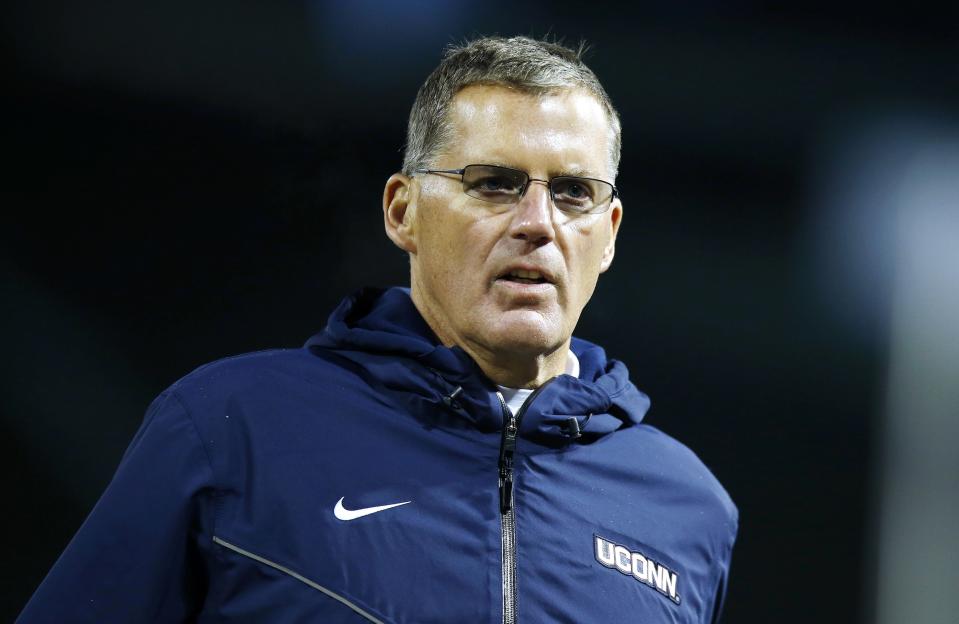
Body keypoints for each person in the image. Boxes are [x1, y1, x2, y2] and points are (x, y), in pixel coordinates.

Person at [18, 35, 737, 623]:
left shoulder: (686, 507)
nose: (536, 224)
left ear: (607, 235)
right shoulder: (229, 429)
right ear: (403, 212)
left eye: (574, 193)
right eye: (494, 183)